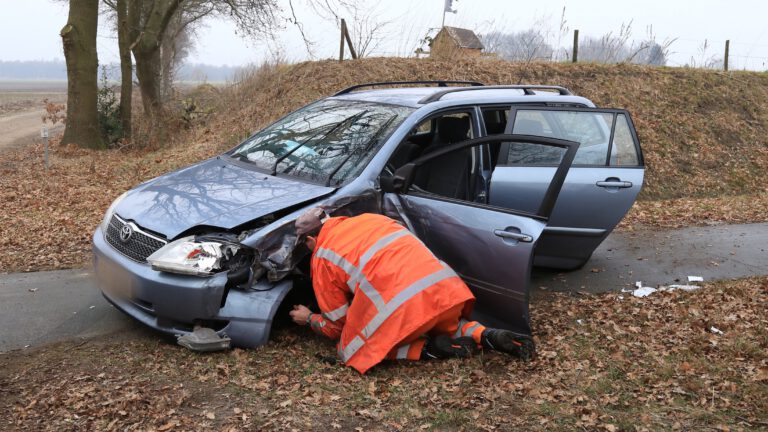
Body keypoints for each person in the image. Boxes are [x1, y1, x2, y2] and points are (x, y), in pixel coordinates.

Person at [289, 208, 534, 374]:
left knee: (350, 348)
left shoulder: (323, 256)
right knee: (447, 321)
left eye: (306, 245)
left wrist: (309, 317)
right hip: (444, 290)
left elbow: (337, 325)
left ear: (311, 239)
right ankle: (487, 335)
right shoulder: (372, 219)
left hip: (404, 305)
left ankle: (430, 350)